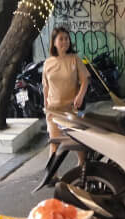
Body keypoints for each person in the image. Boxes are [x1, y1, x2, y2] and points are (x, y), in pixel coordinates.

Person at [43, 27, 89, 157]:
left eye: (67, 38)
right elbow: (45, 86)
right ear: (54, 42)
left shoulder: (75, 59)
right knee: (54, 143)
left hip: (71, 109)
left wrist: (80, 96)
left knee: (77, 142)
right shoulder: (48, 63)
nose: (65, 41)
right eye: (61, 39)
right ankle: (53, 175)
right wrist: (45, 105)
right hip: (53, 110)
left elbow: (85, 80)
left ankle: (82, 168)